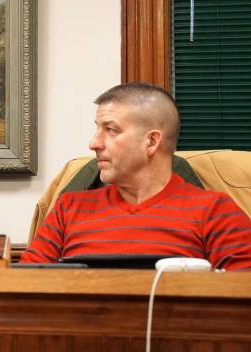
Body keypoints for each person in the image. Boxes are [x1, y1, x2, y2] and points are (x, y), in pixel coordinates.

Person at [22, 83, 251, 271]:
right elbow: (24, 289)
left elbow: (241, 299)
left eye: (110, 130)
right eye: (97, 129)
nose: (94, 143)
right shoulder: (67, 209)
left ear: (151, 141)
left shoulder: (216, 212)